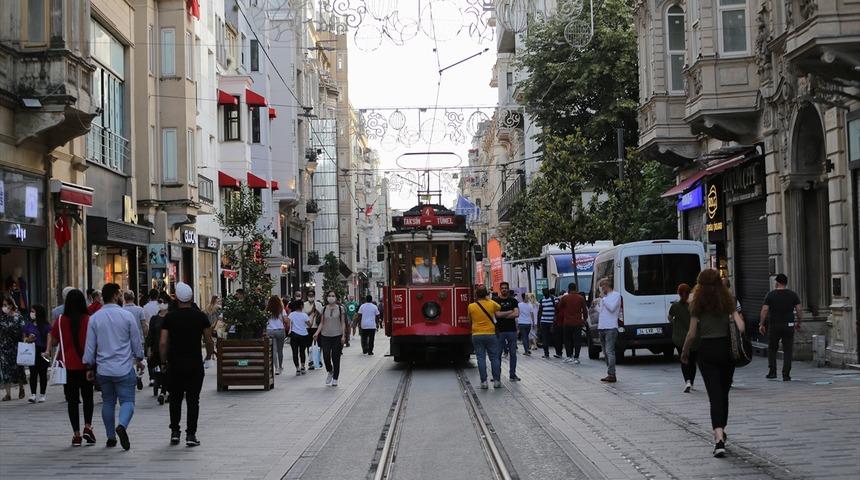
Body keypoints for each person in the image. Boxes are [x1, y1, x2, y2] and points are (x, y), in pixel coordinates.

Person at [682, 268, 745, 458]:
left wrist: (685, 352)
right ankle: (722, 430)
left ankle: (718, 438)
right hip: (727, 351)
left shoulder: (696, 303)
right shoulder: (728, 301)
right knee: (724, 393)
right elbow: (741, 327)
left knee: (714, 395)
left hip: (707, 352)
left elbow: (692, 333)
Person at [82, 283, 145, 450]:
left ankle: (110, 436)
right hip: (124, 367)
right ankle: (122, 425)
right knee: (127, 401)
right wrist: (139, 358)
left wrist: (89, 366)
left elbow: (90, 346)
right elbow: (135, 341)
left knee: (108, 402)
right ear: (116, 295)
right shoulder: (126, 316)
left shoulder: (95, 318)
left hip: (103, 369)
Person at [159, 282, 214, 447]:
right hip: (194, 364)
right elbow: (209, 339)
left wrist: (163, 362)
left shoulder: (169, 317)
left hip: (175, 364)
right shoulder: (200, 316)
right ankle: (191, 434)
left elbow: (162, 342)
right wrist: (209, 356)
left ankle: (175, 432)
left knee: (175, 399)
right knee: (193, 400)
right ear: (191, 297)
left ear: (176, 298)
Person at [45, 289, 96, 446]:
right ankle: (88, 426)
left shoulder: (60, 320)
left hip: (67, 366)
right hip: (86, 365)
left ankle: (76, 435)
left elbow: (53, 342)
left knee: (72, 401)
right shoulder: (89, 320)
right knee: (88, 397)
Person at [759, 274, 802, 381]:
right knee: (788, 350)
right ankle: (786, 374)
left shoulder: (771, 295)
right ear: (786, 283)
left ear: (777, 282)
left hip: (774, 325)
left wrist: (761, 324)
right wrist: (799, 321)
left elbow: (764, 310)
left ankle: (772, 372)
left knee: (772, 348)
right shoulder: (793, 295)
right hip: (789, 325)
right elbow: (799, 310)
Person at [468, 287, 502, 389]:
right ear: (486, 294)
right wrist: (488, 299)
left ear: (476, 295)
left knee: (481, 358)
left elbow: (470, 320)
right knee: (494, 358)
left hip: (477, 334)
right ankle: (496, 381)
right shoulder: (491, 304)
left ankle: (484, 382)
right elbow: (499, 307)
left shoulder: (471, 306)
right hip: (490, 334)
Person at [313, 291, 348, 387]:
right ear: (326, 297)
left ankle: (335, 378)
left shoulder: (341, 309)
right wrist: (316, 333)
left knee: (336, 358)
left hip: (337, 335)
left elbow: (343, 323)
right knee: (326, 356)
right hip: (325, 336)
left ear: (336, 298)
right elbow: (321, 323)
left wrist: (343, 335)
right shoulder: (324, 309)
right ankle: (330, 371)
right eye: (329, 296)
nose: (331, 297)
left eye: (333, 296)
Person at [669, 283, 697, 393]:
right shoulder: (694, 305)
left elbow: (670, 318)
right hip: (694, 338)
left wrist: (675, 321)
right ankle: (692, 382)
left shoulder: (675, 305)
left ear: (678, 293)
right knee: (693, 361)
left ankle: (687, 381)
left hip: (680, 338)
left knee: (684, 359)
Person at [596, 278, 622, 383]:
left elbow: (611, 308)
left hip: (611, 327)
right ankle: (610, 372)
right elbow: (601, 311)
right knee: (605, 352)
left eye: (603, 287)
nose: (602, 290)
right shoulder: (605, 298)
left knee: (609, 351)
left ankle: (612, 374)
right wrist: (597, 304)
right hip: (602, 327)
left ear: (607, 286)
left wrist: (604, 299)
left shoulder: (616, 296)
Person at [23, 304, 51, 402]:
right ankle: (33, 394)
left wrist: (47, 351)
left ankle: (42, 394)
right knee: (33, 373)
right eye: (31, 311)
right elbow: (24, 338)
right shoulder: (28, 325)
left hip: (42, 351)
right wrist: (28, 339)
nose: (31, 313)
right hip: (32, 351)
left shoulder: (46, 325)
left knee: (43, 373)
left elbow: (49, 338)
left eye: (33, 311)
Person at [0, 296, 25, 401]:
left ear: (11, 305)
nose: (4, 307)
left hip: (16, 347)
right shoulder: (1, 318)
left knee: (18, 369)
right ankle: (8, 394)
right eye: (3, 305)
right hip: (3, 347)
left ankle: (21, 388)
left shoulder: (18, 317)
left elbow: (24, 331)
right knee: (5, 369)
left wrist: (25, 341)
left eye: (6, 305)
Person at [495, 282, 521, 381]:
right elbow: (497, 315)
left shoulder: (513, 300)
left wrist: (503, 315)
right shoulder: (496, 301)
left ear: (508, 289)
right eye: (502, 288)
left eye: (506, 288)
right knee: (498, 354)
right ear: (500, 289)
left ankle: (512, 374)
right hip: (500, 331)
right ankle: (497, 375)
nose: (504, 290)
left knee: (513, 354)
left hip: (512, 331)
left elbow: (517, 314)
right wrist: (510, 312)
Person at [557, 283, 588, 364]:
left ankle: (569, 356)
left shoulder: (565, 298)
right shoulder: (581, 298)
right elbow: (585, 310)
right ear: (576, 288)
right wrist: (584, 319)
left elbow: (559, 307)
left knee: (567, 340)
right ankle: (576, 357)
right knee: (577, 340)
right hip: (577, 322)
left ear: (568, 289)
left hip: (567, 322)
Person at [147, 299, 170, 404]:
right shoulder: (154, 319)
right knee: (161, 370)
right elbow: (150, 335)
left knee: (165, 370)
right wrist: (149, 349)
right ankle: (163, 391)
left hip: (169, 349)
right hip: (157, 349)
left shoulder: (171, 317)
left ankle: (163, 391)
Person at [287, 300, 311, 375]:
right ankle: (303, 367)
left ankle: (297, 368)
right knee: (302, 352)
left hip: (294, 335)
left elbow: (288, 325)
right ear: (301, 306)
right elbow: (309, 325)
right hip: (303, 335)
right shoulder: (304, 315)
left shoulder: (291, 315)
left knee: (295, 352)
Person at [265, 295, 288, 375]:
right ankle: (281, 366)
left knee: (273, 350)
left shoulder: (267, 310)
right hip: (280, 330)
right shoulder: (282, 310)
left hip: (270, 330)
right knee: (280, 350)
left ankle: (276, 368)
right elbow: (285, 320)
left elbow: (265, 320)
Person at [304, 291, 324, 370]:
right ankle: (311, 361)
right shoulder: (304, 305)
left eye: (312, 295)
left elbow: (322, 315)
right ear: (307, 296)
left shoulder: (318, 304)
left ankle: (318, 360)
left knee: (319, 345)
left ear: (314, 296)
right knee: (309, 346)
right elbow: (304, 316)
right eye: (309, 295)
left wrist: (316, 311)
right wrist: (312, 311)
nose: (311, 297)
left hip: (317, 327)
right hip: (308, 328)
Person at [537, 288, 557, 359]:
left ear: (548, 292)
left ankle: (558, 352)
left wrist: (554, 321)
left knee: (555, 338)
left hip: (552, 323)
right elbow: (540, 312)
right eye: (543, 292)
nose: (544, 293)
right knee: (544, 339)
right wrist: (538, 324)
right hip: (544, 322)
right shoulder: (542, 300)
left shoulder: (554, 299)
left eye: (545, 291)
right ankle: (546, 353)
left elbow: (556, 310)